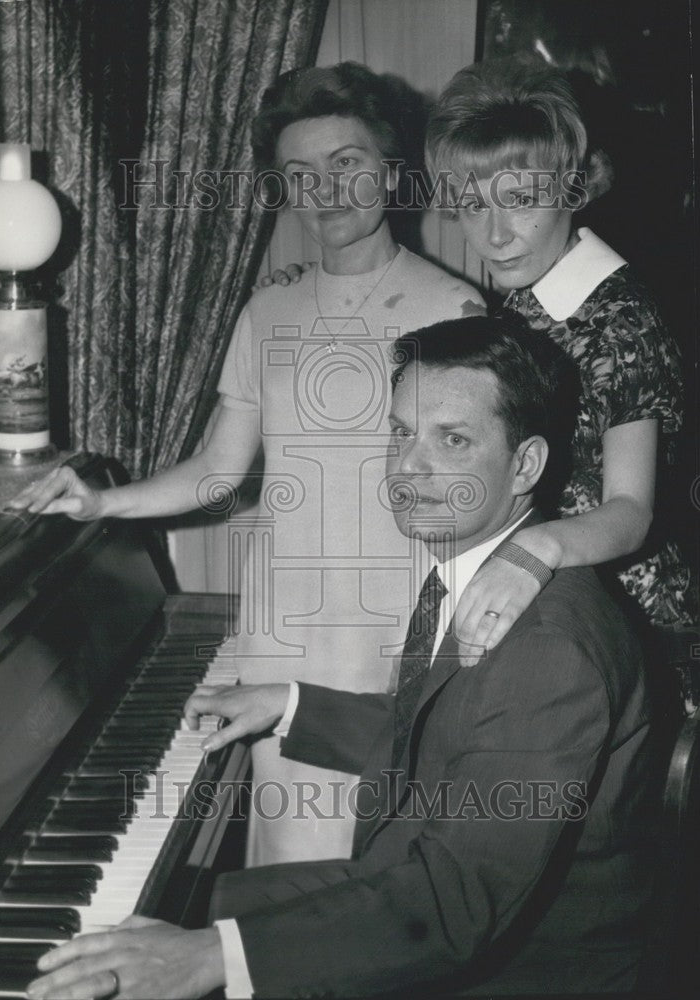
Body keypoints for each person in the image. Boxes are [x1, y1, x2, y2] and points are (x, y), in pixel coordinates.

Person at [27, 316, 653, 1000]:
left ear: (525, 464)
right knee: (127, 921)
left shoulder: (548, 650)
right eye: (401, 431)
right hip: (409, 878)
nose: (410, 467)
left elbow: (453, 907)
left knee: (166, 955)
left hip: (516, 964)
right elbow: (446, 738)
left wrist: (212, 960)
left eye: (453, 440)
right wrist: (291, 703)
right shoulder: (478, 568)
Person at [9, 62, 484, 866]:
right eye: (302, 174)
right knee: (286, 879)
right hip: (283, 632)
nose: (327, 192)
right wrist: (102, 506)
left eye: (348, 165)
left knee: (383, 879)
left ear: (391, 170)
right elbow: (218, 471)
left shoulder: (457, 311)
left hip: (393, 629)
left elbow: (474, 499)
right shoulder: (267, 310)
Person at [268, 57, 696, 673]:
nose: (495, 234)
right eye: (472, 206)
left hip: (623, 637)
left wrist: (530, 553)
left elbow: (631, 513)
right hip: (543, 609)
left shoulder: (623, 318)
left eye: (520, 200)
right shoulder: (523, 295)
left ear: (572, 190)